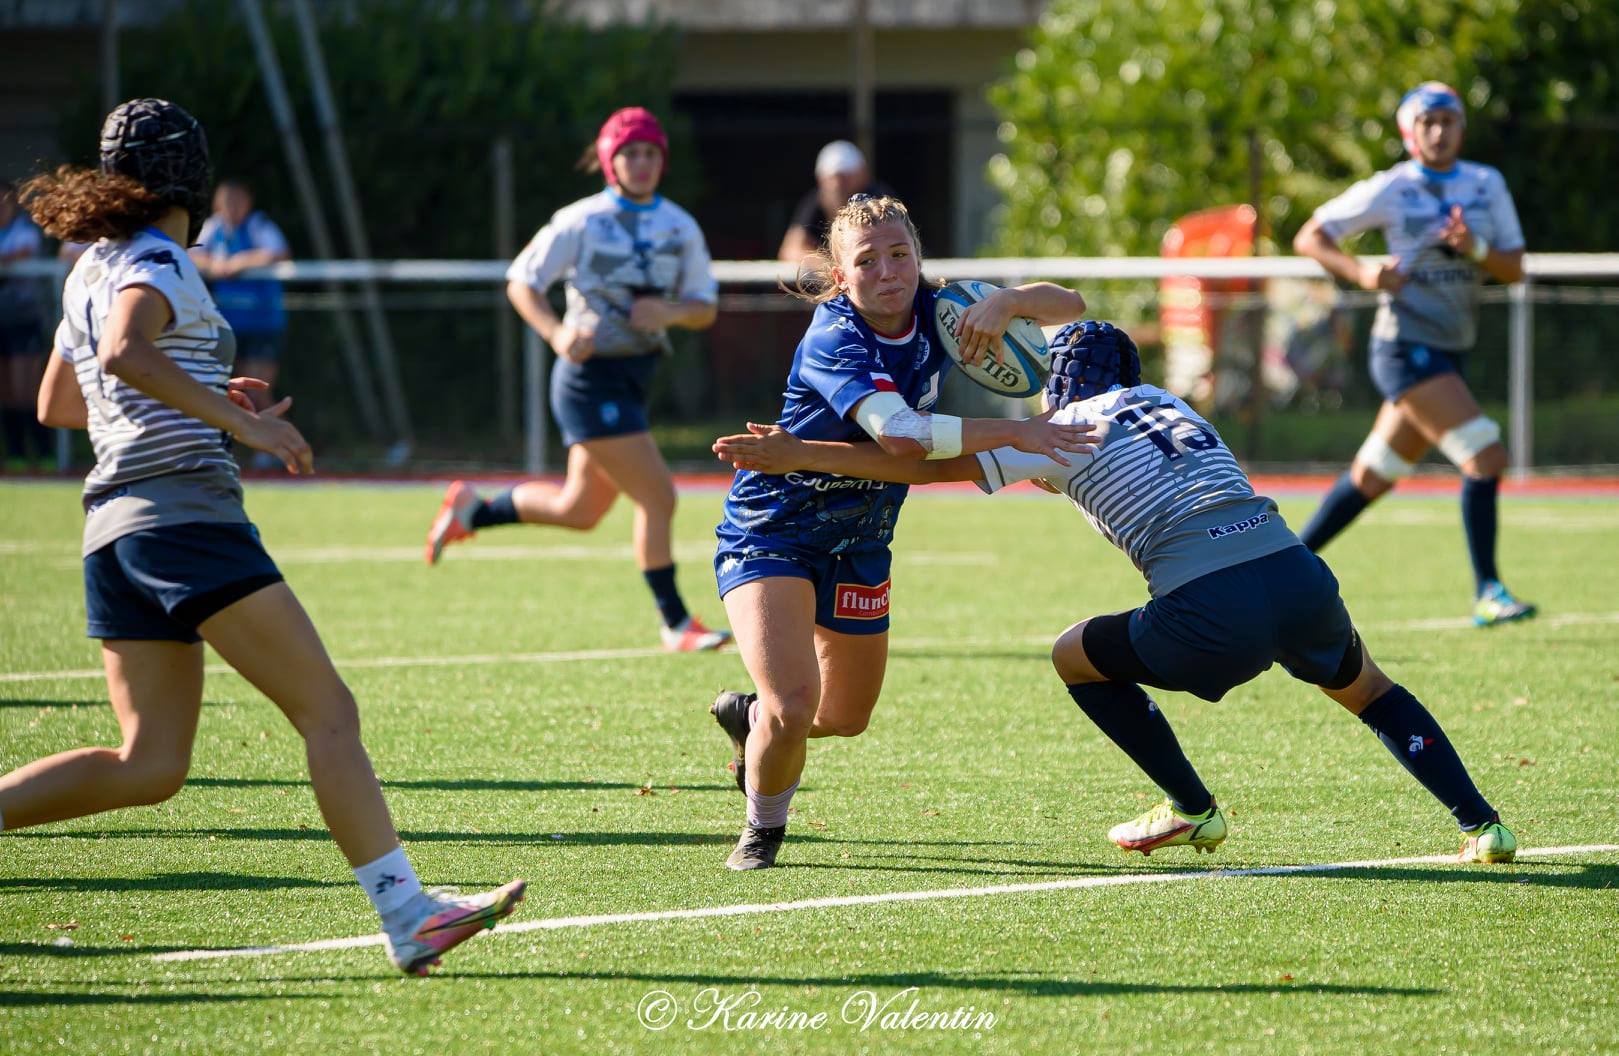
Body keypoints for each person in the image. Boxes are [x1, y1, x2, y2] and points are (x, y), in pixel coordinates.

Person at [2, 99, 524, 976]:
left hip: (114, 530)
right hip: (183, 519)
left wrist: (205, 384)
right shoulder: (161, 258)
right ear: (191, 178)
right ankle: (408, 914)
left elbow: (63, 402)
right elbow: (129, 356)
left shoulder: (89, 266)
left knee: (149, 763)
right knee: (328, 711)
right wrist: (239, 424)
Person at [714, 320, 1518, 865]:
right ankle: (1480, 824)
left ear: (1059, 381)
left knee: (1074, 657)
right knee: (1370, 691)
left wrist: (800, 454)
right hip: (1294, 570)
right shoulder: (1167, 402)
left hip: (1214, 602)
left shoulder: (1061, 430)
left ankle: (1191, 806)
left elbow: (913, 467)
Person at [709, 193, 1091, 870]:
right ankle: (762, 830)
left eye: (899, 254)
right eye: (867, 260)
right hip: (774, 530)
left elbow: (1072, 307)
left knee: (843, 718)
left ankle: (750, 721)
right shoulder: (834, 336)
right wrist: (1017, 430)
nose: (888, 271)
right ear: (839, 275)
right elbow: (903, 435)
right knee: (794, 703)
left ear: (918, 256)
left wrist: (1008, 301)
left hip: (861, 540)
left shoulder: (939, 311)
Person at [425, 107, 730, 653]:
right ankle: (676, 622)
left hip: (634, 381)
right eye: (630, 153)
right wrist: (555, 334)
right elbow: (522, 281)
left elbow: (705, 306)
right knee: (659, 497)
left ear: (663, 160)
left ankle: (472, 510)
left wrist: (670, 313)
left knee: (580, 509)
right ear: (610, 162)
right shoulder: (581, 219)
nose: (641, 163)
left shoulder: (680, 225)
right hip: (589, 381)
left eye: (650, 153)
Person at [1293, 82, 1534, 628]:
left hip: (1450, 348)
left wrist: (1474, 248)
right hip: (1403, 348)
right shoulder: (1392, 188)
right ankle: (1489, 592)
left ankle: (1281, 566)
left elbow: (1514, 269)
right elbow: (1310, 236)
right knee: (1486, 456)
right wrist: (1361, 272)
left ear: (1462, 129)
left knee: (1373, 476)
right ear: (1408, 132)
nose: (1438, 130)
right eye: (1427, 121)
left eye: (1448, 120)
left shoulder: (1485, 184)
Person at [189, 180, 291, 413]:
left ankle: (281, 445)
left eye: (237, 202)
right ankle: (258, 446)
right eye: (227, 202)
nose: (232, 208)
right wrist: (215, 265)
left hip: (261, 323)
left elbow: (279, 253)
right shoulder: (214, 228)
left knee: (257, 393)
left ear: (248, 203)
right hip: (228, 326)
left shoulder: (259, 225)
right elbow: (192, 256)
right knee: (233, 394)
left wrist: (239, 262)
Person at [0, 179, 50, 466]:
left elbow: (22, 254)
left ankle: (44, 453)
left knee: (25, 390)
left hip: (24, 319)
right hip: (1, 323)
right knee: (6, 391)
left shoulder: (24, 233)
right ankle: (16, 453)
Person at [777, 140, 893, 263]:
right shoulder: (816, 200)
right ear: (820, 179)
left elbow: (894, 243)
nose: (837, 185)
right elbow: (790, 250)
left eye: (846, 176)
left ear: (863, 175)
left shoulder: (881, 199)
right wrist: (832, 267)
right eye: (832, 177)